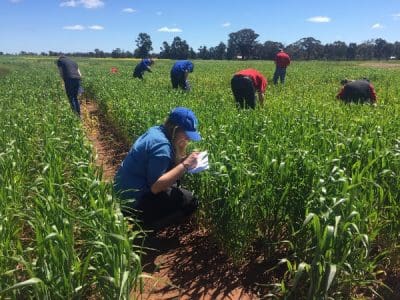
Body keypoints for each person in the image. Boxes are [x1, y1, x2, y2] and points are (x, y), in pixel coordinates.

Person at [114, 107, 201, 230]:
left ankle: (143, 220)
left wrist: (182, 160)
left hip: (124, 195)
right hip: (133, 204)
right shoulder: (162, 147)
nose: (189, 139)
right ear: (175, 129)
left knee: (175, 183)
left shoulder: (157, 131)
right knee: (189, 201)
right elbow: (156, 187)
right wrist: (185, 165)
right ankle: (142, 227)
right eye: (187, 135)